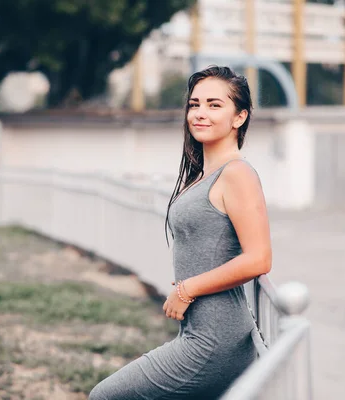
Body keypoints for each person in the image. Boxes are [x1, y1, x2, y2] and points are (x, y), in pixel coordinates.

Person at [89, 65, 272, 400]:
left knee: (106, 396)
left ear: (239, 117)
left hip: (215, 341)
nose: (200, 113)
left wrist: (188, 289)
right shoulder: (204, 176)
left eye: (215, 105)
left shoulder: (237, 175)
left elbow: (259, 259)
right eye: (194, 104)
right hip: (198, 333)